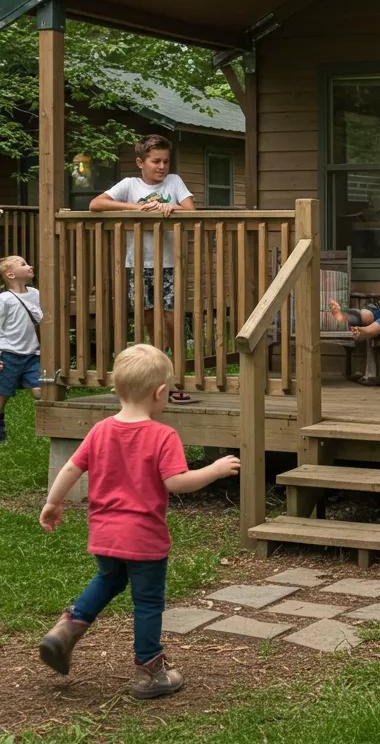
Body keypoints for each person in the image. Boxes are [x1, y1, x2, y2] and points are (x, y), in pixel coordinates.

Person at [37, 343, 240, 699]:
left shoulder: (101, 430)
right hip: (144, 538)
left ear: (117, 389)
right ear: (160, 393)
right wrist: (214, 469)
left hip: (105, 532)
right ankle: (149, 669)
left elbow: (72, 467)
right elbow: (176, 482)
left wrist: (53, 502)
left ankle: (67, 628)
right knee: (147, 602)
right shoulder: (162, 436)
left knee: (108, 579)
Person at [89, 134, 195, 401]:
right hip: (138, 264)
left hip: (170, 263)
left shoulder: (175, 182)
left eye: (166, 161)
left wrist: (171, 207)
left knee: (171, 318)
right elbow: (96, 204)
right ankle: (156, 372)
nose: (162, 167)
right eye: (156, 161)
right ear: (140, 162)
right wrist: (135, 208)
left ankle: (175, 372)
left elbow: (191, 210)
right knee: (148, 318)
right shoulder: (130, 185)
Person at [0, 255, 43, 443]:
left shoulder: (36, 294)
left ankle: (46, 425)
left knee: (40, 390)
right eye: (23, 264)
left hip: (32, 354)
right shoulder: (4, 299)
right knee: (2, 395)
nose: (30, 266)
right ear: (10, 275)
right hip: (8, 354)